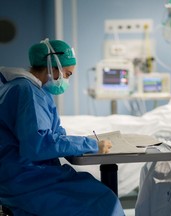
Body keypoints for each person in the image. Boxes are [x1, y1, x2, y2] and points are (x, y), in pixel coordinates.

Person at [0, 38, 124, 215]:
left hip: (25, 175)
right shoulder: (27, 91)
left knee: (93, 189)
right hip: (26, 180)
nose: (66, 80)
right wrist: (92, 145)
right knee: (104, 200)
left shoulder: (35, 90)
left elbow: (55, 134)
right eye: (67, 74)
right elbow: (39, 145)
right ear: (53, 67)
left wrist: (82, 143)